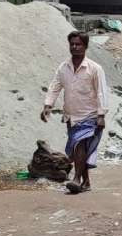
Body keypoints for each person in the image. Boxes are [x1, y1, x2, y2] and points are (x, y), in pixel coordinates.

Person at [41, 31, 108, 195]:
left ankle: (76, 179)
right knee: (79, 149)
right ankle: (86, 182)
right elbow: (55, 86)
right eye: (72, 44)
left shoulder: (94, 69)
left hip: (90, 115)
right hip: (71, 116)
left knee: (79, 145)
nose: (75, 47)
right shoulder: (64, 68)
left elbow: (101, 92)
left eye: (78, 44)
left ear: (85, 46)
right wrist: (48, 105)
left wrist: (101, 115)